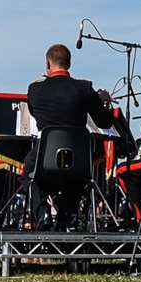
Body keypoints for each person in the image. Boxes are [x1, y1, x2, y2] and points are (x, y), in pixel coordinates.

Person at [24, 44, 108, 228]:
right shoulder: (84, 88)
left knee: (30, 170)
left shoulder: (35, 90)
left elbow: (33, 111)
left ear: (48, 63)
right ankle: (66, 215)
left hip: (44, 160)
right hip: (76, 161)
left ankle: (42, 213)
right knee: (77, 175)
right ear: (69, 63)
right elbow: (104, 122)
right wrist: (104, 103)